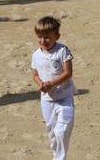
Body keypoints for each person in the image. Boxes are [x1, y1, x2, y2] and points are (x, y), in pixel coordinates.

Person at [31, 16, 76, 160]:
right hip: (47, 99)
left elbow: (68, 73)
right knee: (52, 132)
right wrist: (41, 85)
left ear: (56, 36)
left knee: (61, 131)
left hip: (64, 97)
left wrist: (51, 83)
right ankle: (56, 155)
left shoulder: (62, 50)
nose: (43, 41)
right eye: (40, 37)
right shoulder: (36, 55)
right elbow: (35, 74)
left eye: (47, 37)